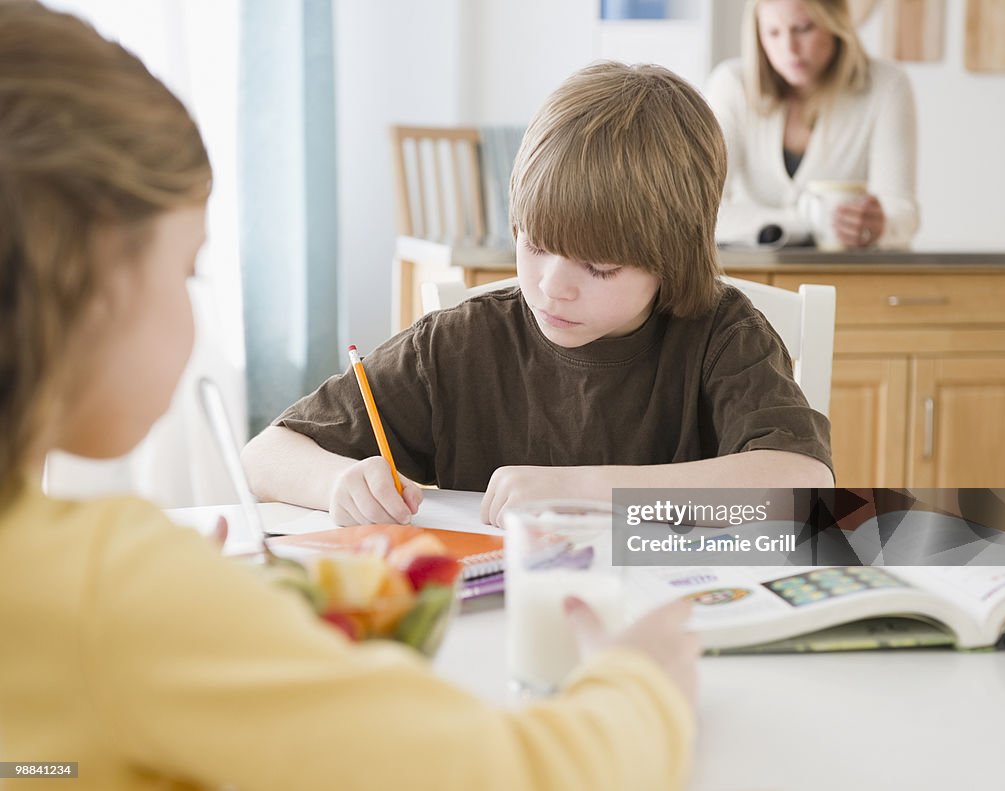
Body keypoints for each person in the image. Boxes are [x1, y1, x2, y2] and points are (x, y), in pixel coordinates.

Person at [0, 5, 701, 789]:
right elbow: (517, 773)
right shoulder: (117, 593)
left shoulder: (103, 596)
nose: (554, 283)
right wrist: (643, 684)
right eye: (189, 268)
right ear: (84, 286)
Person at [241, 62, 834, 529]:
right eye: (533, 244)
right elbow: (264, 456)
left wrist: (579, 490)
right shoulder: (458, 344)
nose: (551, 286)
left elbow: (804, 485)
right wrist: (338, 484)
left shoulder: (721, 335)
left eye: (598, 267)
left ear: (672, 259)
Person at [706, 0, 919, 249]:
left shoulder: (886, 86)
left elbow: (902, 213)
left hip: (846, 276)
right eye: (773, 32)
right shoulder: (731, 84)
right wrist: (812, 223)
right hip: (754, 277)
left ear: (835, 24)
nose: (789, 49)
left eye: (804, 28)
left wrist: (880, 225)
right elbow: (703, 211)